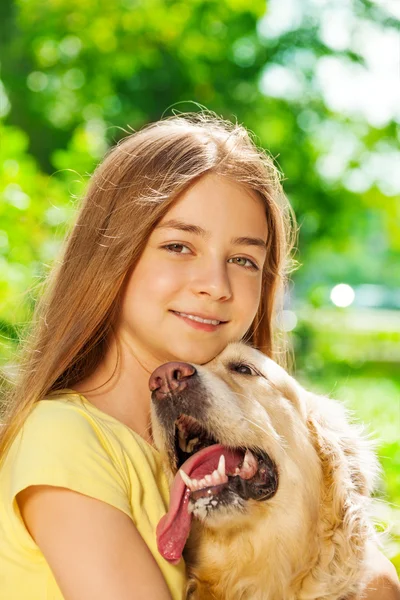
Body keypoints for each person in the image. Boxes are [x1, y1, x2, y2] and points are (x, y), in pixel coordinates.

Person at [0, 112, 398, 600]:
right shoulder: (65, 437)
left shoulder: (194, 451)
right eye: (178, 245)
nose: (215, 285)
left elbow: (367, 567)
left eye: (243, 260)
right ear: (111, 256)